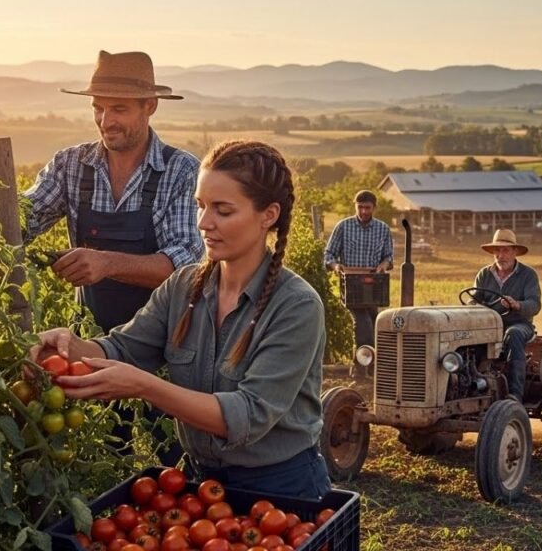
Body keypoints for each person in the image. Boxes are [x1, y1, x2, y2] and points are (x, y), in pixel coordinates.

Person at [32, 140, 331, 498]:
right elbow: (122, 348)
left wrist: (144, 386)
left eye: (223, 210)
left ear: (268, 215)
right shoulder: (184, 287)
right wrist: (69, 348)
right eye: (201, 206)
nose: (204, 223)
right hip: (201, 483)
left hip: (282, 488)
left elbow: (247, 415)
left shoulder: (296, 306)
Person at [22, 50, 202, 465]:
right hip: (94, 346)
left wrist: (105, 263)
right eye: (98, 109)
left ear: (150, 107)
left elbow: (186, 265)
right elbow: (20, 220)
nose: (106, 121)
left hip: (169, 347)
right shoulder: (71, 166)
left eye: (118, 109)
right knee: (103, 454)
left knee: (178, 458)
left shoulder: (180, 171)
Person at [472, 229, 541, 402]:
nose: (500, 255)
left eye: (505, 250)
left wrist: (517, 305)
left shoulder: (528, 275)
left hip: (519, 324)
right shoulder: (484, 274)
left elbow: (534, 304)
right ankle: (473, 385)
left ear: (515, 252)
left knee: (513, 334)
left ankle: (515, 394)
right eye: (497, 251)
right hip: (489, 326)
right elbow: (473, 301)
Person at [323, 190, 394, 347]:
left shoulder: (383, 229)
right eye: (360, 207)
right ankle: (360, 367)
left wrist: (384, 265)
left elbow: (388, 257)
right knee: (363, 323)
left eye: (367, 207)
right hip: (351, 287)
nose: (363, 211)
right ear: (355, 206)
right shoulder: (343, 226)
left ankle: (374, 363)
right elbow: (328, 255)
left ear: (374, 208)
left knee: (376, 324)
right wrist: (335, 266)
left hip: (373, 287)